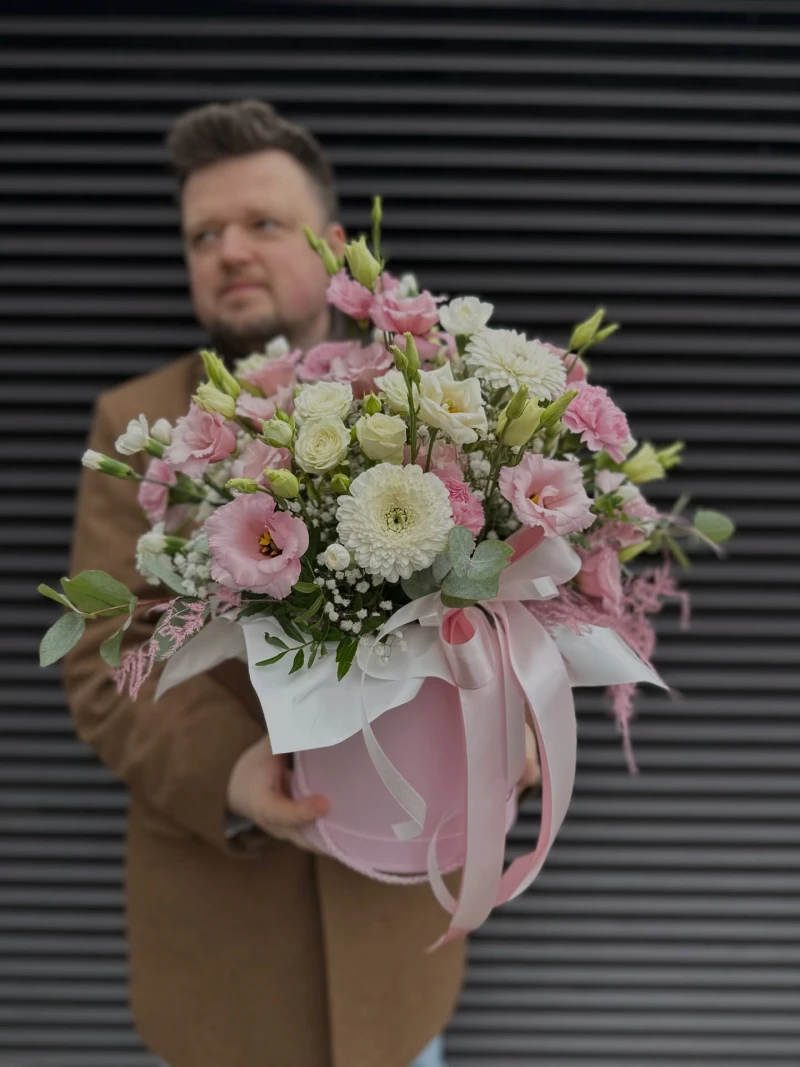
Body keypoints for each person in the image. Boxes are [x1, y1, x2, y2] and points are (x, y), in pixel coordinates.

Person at [62, 100, 541, 1067]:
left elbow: (521, 607)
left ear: (333, 247)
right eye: (205, 234)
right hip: (219, 945)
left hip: (395, 941)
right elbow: (100, 659)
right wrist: (239, 775)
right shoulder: (135, 424)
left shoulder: (431, 402)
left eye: (262, 224)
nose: (229, 249)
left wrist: (524, 717)